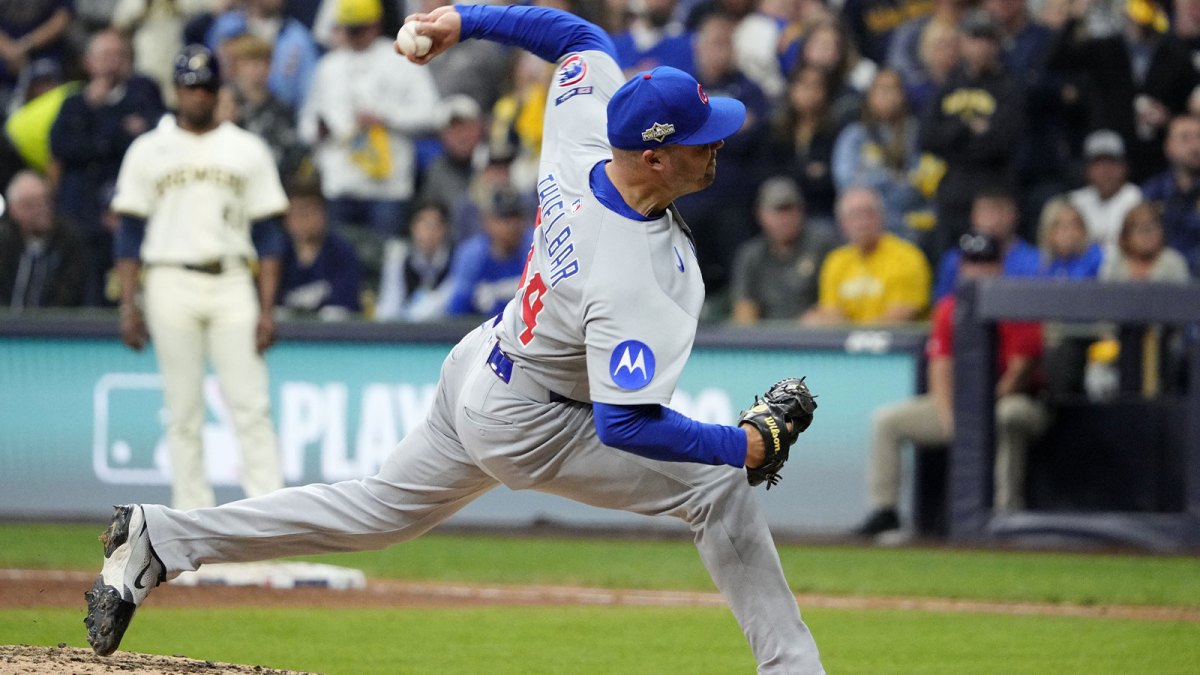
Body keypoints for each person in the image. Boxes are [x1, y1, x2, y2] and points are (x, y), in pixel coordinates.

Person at [83, 7, 826, 673]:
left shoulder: (585, 134)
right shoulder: (641, 279)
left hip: (483, 362)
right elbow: (624, 422)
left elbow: (576, 37)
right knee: (717, 484)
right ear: (656, 158)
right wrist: (746, 447)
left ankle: (162, 537)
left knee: (373, 510)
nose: (717, 145)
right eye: (701, 139)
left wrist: (462, 18)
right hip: (533, 420)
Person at [108, 44, 287, 511]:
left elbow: (269, 237)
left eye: (206, 87)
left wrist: (267, 309)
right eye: (190, 86)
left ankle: (268, 516)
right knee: (182, 408)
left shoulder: (247, 148)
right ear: (176, 90)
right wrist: (129, 304)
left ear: (218, 90)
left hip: (232, 280)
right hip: (169, 278)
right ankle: (189, 516)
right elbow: (128, 234)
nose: (199, 96)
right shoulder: (149, 149)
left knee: (251, 404)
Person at [854, 233, 1048, 537]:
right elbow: (940, 368)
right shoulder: (948, 308)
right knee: (886, 421)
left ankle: (1006, 513)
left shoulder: (1016, 303)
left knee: (1005, 417)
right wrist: (950, 419)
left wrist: (977, 418)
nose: (978, 271)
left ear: (999, 266)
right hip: (961, 404)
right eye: (972, 263)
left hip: (1017, 401)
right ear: (961, 268)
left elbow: (1019, 371)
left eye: (985, 263)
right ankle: (885, 511)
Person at [298, 0, 441, 241]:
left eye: (360, 28)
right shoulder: (328, 67)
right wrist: (318, 130)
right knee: (343, 265)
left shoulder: (401, 58)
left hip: (387, 187)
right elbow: (306, 123)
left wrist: (385, 117)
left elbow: (431, 113)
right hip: (340, 184)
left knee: (384, 264)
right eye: (349, 29)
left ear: (376, 24)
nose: (353, 36)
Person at [50, 28, 165, 307]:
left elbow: (153, 146)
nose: (112, 62)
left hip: (128, 212)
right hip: (79, 214)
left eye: (119, 55)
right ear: (88, 62)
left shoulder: (143, 97)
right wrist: (109, 126)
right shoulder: (74, 103)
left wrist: (99, 135)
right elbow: (62, 147)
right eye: (105, 55)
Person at [918, 9, 1025, 263]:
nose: (982, 46)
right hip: (952, 195)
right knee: (950, 266)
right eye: (975, 38)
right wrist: (967, 126)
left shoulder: (1009, 86)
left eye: (989, 39)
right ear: (963, 43)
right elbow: (927, 138)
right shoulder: (948, 85)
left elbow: (1001, 142)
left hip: (994, 191)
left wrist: (953, 136)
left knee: (991, 264)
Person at [803, 185, 931, 325]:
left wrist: (855, 332)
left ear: (882, 217)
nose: (862, 222)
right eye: (854, 215)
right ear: (842, 224)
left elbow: (901, 315)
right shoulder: (836, 261)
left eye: (868, 213)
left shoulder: (907, 257)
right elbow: (831, 313)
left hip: (896, 344)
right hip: (846, 344)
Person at [730, 176, 837, 324]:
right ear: (761, 214)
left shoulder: (822, 243)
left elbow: (838, 303)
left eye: (790, 209)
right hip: (769, 339)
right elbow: (744, 306)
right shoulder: (751, 254)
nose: (784, 218)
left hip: (814, 337)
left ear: (802, 210)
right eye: (777, 211)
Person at [219, 33, 309, 184]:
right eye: (249, 63)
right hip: (235, 181)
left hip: (274, 183)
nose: (257, 69)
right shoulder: (226, 104)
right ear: (236, 67)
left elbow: (294, 153)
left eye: (263, 62)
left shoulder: (281, 107)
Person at [932, 188, 1042, 299]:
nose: (993, 220)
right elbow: (941, 306)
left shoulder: (1037, 261)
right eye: (986, 212)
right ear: (973, 216)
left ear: (1014, 215)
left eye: (1000, 211)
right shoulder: (954, 259)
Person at [443, 185, 534, 318]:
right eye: (503, 218)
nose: (511, 225)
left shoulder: (533, 246)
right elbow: (456, 309)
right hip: (479, 329)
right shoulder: (472, 253)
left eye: (516, 217)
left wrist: (497, 292)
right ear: (488, 221)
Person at [0, 170, 86, 309]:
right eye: (32, 205)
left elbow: (71, 293)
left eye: (45, 201)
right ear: (13, 210)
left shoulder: (70, 240)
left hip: (54, 327)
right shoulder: (4, 241)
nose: (42, 210)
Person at [278, 180, 362, 319]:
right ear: (286, 219)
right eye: (298, 213)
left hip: (328, 336)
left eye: (311, 212)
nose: (305, 219)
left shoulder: (342, 252)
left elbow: (343, 307)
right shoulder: (277, 254)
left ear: (324, 214)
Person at [374, 201, 455, 321]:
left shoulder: (457, 260)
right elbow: (388, 308)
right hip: (407, 333)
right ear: (413, 227)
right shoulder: (398, 261)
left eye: (434, 226)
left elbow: (449, 303)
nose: (428, 233)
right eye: (424, 225)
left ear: (444, 229)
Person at [1141, 114, 1200, 276]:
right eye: (1185, 138)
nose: (1195, 146)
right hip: (1161, 283)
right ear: (1168, 147)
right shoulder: (1153, 191)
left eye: (1199, 137)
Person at [1068, 129, 1143, 251]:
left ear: (1124, 167)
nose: (1105, 170)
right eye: (1098, 163)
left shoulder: (1135, 198)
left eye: (1112, 162)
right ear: (1087, 169)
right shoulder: (1076, 201)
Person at [1099, 202, 1191, 282]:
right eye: (1141, 229)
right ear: (1126, 236)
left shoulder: (1173, 263)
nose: (1148, 235)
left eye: (1153, 228)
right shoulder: (1115, 263)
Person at [1036, 197, 1104, 279]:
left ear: (1084, 230)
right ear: (1048, 232)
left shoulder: (1099, 260)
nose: (1068, 232)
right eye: (1060, 226)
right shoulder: (1042, 264)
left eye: (1074, 225)